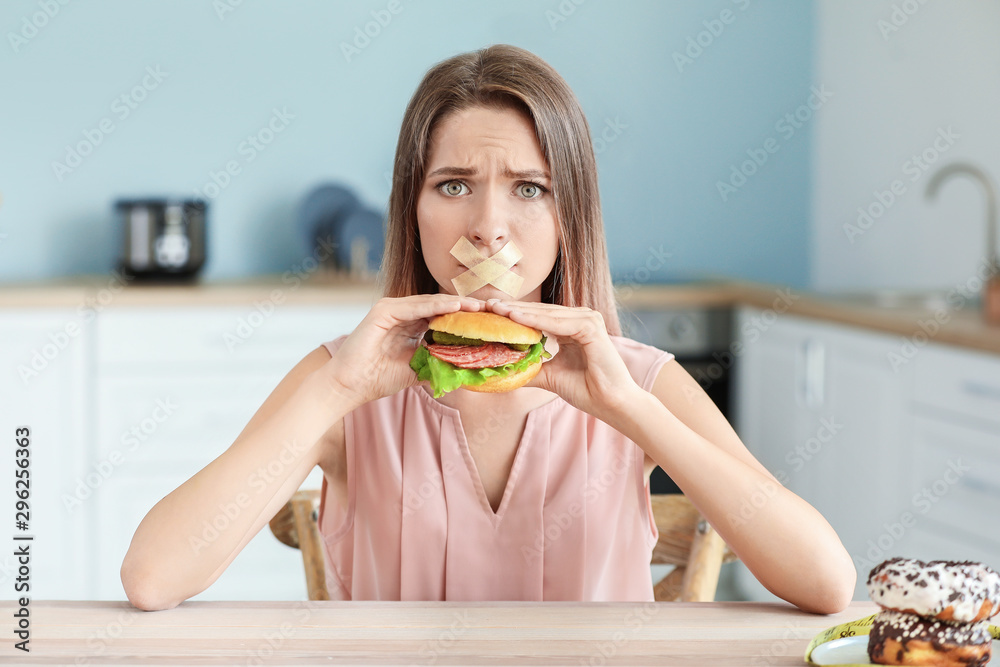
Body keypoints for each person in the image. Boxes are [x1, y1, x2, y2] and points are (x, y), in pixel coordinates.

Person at [121, 44, 856, 612]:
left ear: (571, 220)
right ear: (412, 210)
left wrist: (630, 411)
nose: (488, 228)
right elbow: (153, 577)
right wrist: (336, 391)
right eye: (453, 186)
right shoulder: (346, 379)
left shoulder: (638, 380)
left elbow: (825, 580)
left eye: (529, 189)